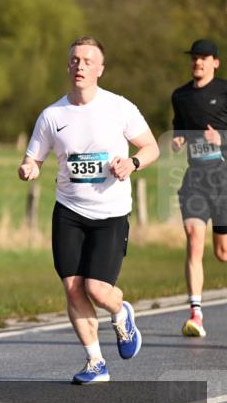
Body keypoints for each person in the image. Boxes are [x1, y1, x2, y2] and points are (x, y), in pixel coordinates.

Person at [18, 36, 160, 384]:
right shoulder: (52, 115)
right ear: (68, 67)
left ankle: (121, 311)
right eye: (74, 60)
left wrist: (133, 162)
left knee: (97, 289)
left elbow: (151, 146)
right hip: (68, 210)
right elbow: (33, 157)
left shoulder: (119, 107)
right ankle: (95, 361)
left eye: (86, 60)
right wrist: (29, 168)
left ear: (100, 69)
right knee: (72, 288)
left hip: (110, 212)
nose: (79, 65)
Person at [171, 38, 227, 338]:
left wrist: (222, 140)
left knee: (222, 252)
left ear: (215, 62)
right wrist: (178, 141)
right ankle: (196, 314)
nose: (198, 62)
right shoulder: (179, 96)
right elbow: (179, 129)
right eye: (194, 57)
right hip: (195, 180)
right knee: (194, 239)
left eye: (204, 58)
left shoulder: (224, 91)